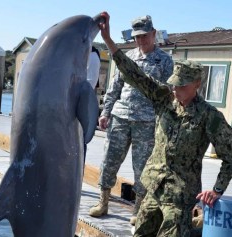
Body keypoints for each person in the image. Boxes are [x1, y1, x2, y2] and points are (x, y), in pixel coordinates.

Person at [98, 12, 232, 236]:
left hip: (180, 195)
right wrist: (108, 40)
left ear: (197, 84)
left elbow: (231, 159)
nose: (175, 90)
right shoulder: (164, 100)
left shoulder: (209, 116)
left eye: (182, 86)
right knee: (141, 231)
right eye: (174, 84)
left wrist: (217, 190)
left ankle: (195, 224)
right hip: (154, 187)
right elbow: (135, 74)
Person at [89, 14, 173, 226]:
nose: (141, 41)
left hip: (147, 121)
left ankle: (139, 209)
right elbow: (115, 86)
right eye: (137, 37)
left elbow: (169, 93)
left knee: (143, 168)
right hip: (121, 117)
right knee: (109, 161)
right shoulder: (127, 57)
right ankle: (103, 202)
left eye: (145, 36)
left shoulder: (164, 61)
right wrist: (106, 112)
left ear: (153, 34)